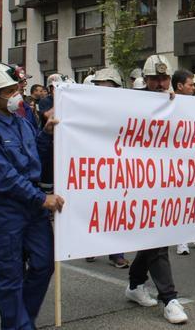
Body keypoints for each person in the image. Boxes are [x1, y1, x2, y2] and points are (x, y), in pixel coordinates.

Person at [0, 62, 64, 329]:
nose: (16, 96)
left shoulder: (21, 123)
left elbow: (35, 157)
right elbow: (5, 178)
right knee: (9, 275)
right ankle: (18, 325)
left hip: (32, 206)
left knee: (44, 263)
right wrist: (41, 199)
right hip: (5, 209)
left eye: (16, 89)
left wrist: (46, 135)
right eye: (9, 91)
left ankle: (23, 320)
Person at [125, 54, 188, 324]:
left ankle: (135, 285)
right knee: (158, 241)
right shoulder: (130, 104)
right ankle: (169, 298)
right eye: (155, 79)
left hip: (166, 183)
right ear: (146, 80)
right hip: (139, 183)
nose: (160, 84)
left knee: (153, 240)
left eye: (164, 79)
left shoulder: (179, 105)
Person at [80, 68, 132, 268]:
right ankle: (91, 245)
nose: (104, 91)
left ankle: (116, 253)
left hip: (118, 167)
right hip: (95, 166)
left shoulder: (126, 109)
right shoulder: (86, 111)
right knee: (94, 209)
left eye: (109, 87)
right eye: (100, 87)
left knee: (116, 211)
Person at [171, 69, 195, 257]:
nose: (194, 88)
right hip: (176, 161)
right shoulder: (168, 102)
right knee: (180, 200)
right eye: (190, 85)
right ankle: (181, 239)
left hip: (194, 159)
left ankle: (194, 233)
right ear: (179, 86)